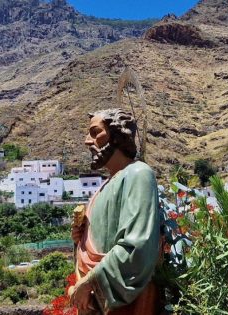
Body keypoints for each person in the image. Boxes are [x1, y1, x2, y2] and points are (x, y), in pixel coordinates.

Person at [69, 108, 162, 314]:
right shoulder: (100, 189)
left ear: (118, 136)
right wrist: (79, 239)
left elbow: (138, 244)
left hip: (125, 301)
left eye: (95, 133)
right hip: (94, 301)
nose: (87, 141)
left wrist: (91, 281)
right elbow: (95, 245)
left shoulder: (138, 174)